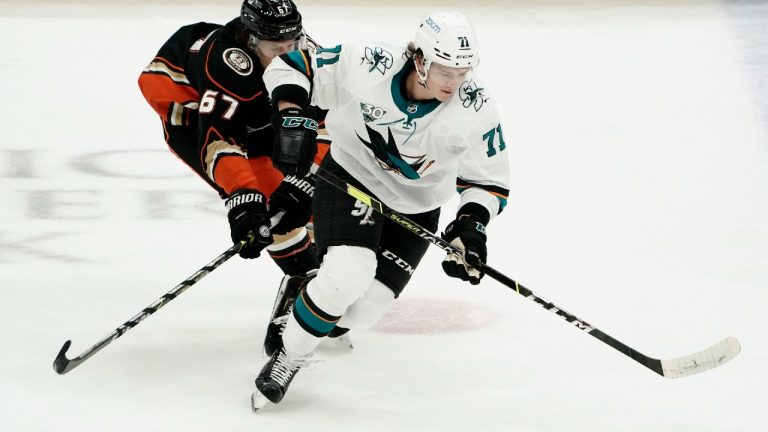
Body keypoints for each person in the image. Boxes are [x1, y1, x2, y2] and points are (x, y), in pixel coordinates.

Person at [251, 11, 511, 409]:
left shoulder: (475, 108)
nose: (454, 82)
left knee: (365, 309)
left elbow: (487, 180)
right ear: (419, 58)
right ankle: (289, 356)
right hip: (352, 176)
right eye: (444, 70)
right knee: (345, 277)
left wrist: (471, 225)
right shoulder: (370, 62)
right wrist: (291, 112)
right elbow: (294, 65)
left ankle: (304, 295)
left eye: (463, 71)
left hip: (417, 205)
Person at [138, 0, 347, 356]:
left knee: (305, 195)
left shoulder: (304, 52)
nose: (285, 55)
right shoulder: (227, 64)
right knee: (268, 198)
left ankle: (306, 265)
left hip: (258, 110)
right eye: (274, 49)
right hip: (188, 106)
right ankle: (301, 274)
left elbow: (329, 124)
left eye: (291, 46)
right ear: (250, 42)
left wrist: (309, 180)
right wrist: (243, 197)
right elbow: (218, 139)